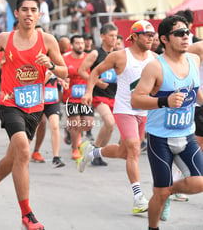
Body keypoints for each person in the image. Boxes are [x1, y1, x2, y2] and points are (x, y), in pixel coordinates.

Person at [0, 0, 67, 230]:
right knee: (24, 152)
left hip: (34, 107)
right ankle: (27, 215)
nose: (29, 14)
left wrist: (52, 66)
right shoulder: (5, 38)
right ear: (17, 13)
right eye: (24, 9)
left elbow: (65, 72)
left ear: (38, 14)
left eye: (33, 10)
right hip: (9, 103)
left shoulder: (48, 40)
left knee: (13, 157)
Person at [131, 15, 203, 230]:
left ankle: (168, 191)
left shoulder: (194, 60)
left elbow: (195, 91)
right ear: (164, 39)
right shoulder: (155, 67)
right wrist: (165, 101)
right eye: (179, 33)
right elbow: (136, 99)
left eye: (187, 32)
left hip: (187, 134)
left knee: (199, 182)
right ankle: (153, 227)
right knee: (159, 194)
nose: (185, 37)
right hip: (160, 138)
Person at [79, 20, 157, 214]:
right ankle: (139, 198)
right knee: (133, 150)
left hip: (143, 112)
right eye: (146, 34)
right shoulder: (120, 56)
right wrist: (89, 91)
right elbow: (95, 70)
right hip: (124, 109)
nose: (151, 37)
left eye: (152, 34)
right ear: (135, 36)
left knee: (125, 153)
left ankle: (91, 152)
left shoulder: (155, 59)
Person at [78, 23, 118, 166]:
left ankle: (96, 153)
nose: (114, 38)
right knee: (109, 123)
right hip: (99, 95)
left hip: (114, 95)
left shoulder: (117, 55)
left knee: (110, 127)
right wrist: (96, 82)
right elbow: (81, 70)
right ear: (102, 36)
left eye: (116, 36)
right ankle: (94, 151)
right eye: (111, 36)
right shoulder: (96, 53)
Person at [63, 35, 95, 160]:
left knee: (88, 123)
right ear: (72, 45)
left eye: (82, 43)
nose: (80, 45)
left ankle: (70, 131)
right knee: (75, 122)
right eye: (77, 43)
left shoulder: (89, 59)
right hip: (70, 97)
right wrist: (63, 79)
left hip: (85, 96)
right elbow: (60, 72)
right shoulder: (65, 58)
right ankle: (75, 149)